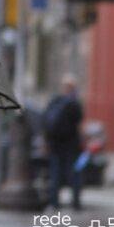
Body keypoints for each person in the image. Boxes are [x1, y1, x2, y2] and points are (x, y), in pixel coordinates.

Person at [43, 74, 84, 210]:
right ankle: (75, 203)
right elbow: (79, 123)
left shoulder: (54, 101)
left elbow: (46, 122)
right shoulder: (75, 104)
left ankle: (54, 203)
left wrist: (47, 141)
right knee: (74, 173)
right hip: (71, 144)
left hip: (55, 143)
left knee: (55, 173)